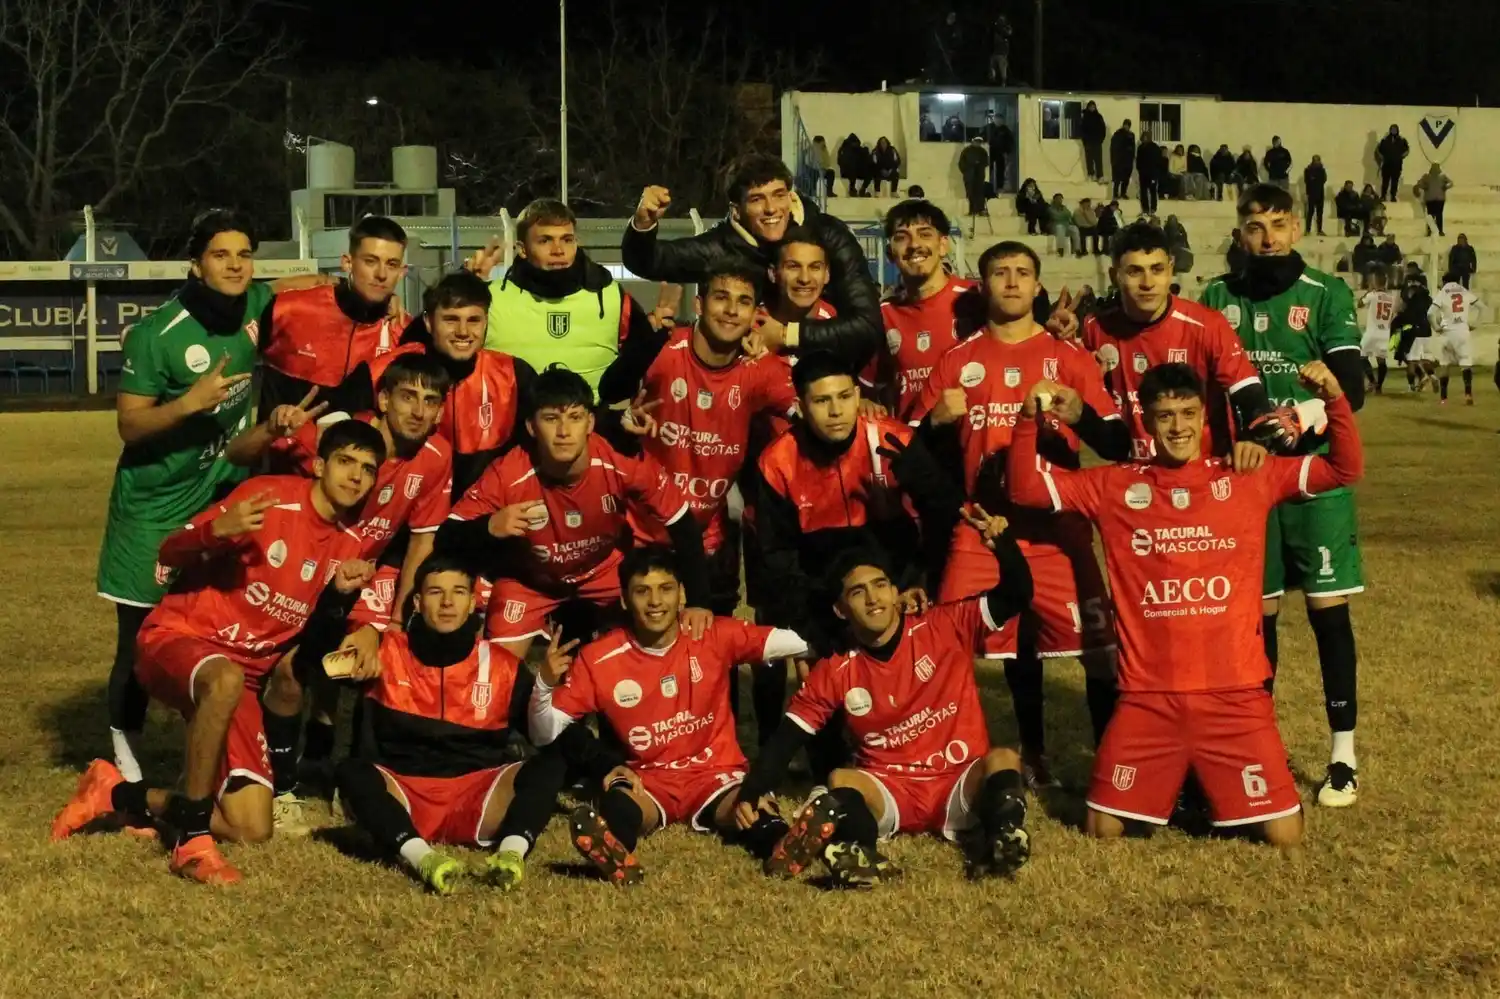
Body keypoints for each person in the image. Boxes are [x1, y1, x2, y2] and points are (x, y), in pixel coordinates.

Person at [1007, 359, 1364, 847]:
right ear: (1147, 423)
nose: (1178, 426)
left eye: (1188, 413)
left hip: (1234, 694)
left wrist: (1335, 400)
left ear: (1205, 419)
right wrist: (1027, 420)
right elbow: (1024, 488)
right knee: (1103, 828)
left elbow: (1345, 468)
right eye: (1165, 415)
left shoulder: (1246, 474)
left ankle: (1208, 788)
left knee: (1285, 833)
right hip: (1148, 697)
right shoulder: (1115, 485)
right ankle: (1180, 786)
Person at [53, 420, 387, 882]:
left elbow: (316, 641)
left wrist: (347, 612)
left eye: (367, 469)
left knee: (251, 827)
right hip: (178, 639)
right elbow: (170, 551)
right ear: (318, 464)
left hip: (244, 677)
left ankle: (116, 795)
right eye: (346, 462)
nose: (355, 476)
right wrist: (217, 531)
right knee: (224, 677)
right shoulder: (269, 497)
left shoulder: (354, 543)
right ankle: (190, 844)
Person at [912, 241, 1131, 784]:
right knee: (950, 647)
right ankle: (998, 758)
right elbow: (911, 454)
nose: (1011, 282)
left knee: (1101, 654)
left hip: (1057, 530)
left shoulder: (1069, 357)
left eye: (1023, 273)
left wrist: (1081, 414)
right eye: (1000, 273)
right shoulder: (956, 361)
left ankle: (1110, 758)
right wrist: (935, 423)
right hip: (982, 530)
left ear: (1038, 286)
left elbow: (1119, 444)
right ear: (982, 285)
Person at [732, 517, 1035, 886]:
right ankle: (859, 853)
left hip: (958, 782)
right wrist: (751, 791)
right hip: (891, 790)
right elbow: (787, 738)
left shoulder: (945, 625)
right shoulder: (836, 668)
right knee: (842, 778)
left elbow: (1017, 593)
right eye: (858, 592)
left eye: (881, 585)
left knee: (1004, 759)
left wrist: (1003, 544)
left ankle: (1001, 838)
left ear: (896, 592)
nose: (874, 598)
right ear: (841, 610)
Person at [1199, 183, 1369, 807]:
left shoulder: (1326, 294)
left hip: (1312, 480)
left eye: (1277, 224)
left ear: (1295, 228)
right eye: (1254, 226)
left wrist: (1300, 415)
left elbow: (1353, 386)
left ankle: (1342, 755)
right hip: (1247, 487)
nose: (1266, 237)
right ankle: (1260, 748)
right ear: (1239, 232)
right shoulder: (1217, 298)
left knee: (1328, 613)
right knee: (1255, 620)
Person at [96, 209, 272, 785]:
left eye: (244, 254)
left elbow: (313, 290)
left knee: (221, 622)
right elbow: (130, 426)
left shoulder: (256, 305)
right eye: (222, 255)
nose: (236, 265)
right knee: (143, 636)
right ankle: (124, 751)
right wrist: (188, 405)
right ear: (195, 264)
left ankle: (222, 740)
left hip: (220, 491)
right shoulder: (156, 335)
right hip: (153, 508)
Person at [599, 260, 798, 747]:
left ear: (755, 316)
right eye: (721, 298)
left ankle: (718, 741)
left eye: (743, 302)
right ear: (701, 303)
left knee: (712, 640)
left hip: (707, 529)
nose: (731, 310)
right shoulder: (667, 350)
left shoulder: (759, 369)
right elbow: (608, 394)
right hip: (636, 526)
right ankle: (624, 744)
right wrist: (622, 420)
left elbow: (812, 409)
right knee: (627, 641)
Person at [529, 546, 811, 885]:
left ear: (683, 595)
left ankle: (784, 846)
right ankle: (612, 849)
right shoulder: (599, 658)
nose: (655, 601)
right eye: (642, 591)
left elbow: (799, 641)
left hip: (715, 774)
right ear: (624, 600)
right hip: (648, 781)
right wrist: (544, 684)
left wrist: (839, 637)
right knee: (621, 803)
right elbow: (544, 733)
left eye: (666, 589)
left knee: (748, 805)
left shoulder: (710, 633)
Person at [438, 366, 711, 659]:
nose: (564, 432)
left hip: (605, 572)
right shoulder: (508, 473)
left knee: (666, 625)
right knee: (497, 673)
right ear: (531, 426)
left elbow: (682, 523)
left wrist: (698, 600)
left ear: (591, 422)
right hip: (531, 582)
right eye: (551, 419)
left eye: (575, 417)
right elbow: (446, 537)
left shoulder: (621, 461)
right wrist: (489, 527)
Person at [333, 556, 568, 894]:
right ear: (417, 601)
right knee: (352, 772)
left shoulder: (502, 666)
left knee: (548, 766)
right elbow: (317, 663)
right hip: (403, 795)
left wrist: (609, 770)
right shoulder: (384, 651)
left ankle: (511, 854)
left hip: (478, 797)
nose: (447, 602)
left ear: (473, 602)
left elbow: (551, 737)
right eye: (435, 592)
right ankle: (421, 857)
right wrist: (364, 629)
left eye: (458, 592)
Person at [758, 350, 964, 661]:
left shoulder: (893, 439)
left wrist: (915, 583)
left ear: (858, 395)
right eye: (822, 401)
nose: (836, 410)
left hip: (894, 580)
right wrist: (811, 627)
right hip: (822, 592)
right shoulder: (777, 463)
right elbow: (778, 557)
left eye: (843, 397)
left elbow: (946, 514)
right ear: (800, 407)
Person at [627, 154, 881, 369]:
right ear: (736, 210)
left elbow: (867, 326)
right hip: (752, 382)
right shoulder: (721, 247)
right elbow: (647, 261)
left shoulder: (828, 236)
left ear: (791, 197)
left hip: (827, 376)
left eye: (778, 195)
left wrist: (785, 334)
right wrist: (644, 223)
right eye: (757, 199)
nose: (771, 209)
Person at [1079, 222, 1270, 461]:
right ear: (1114, 275)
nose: (1147, 282)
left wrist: (1252, 440)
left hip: (1205, 472)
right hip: (1138, 476)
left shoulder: (1207, 325)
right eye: (1135, 271)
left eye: (1157, 269)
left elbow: (1250, 394)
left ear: (1171, 270)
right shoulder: (1095, 327)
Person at [338, 271, 534, 499]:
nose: (463, 332)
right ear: (429, 323)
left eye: (474, 320)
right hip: (402, 509)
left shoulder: (513, 373)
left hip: (484, 514)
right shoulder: (386, 369)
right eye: (451, 320)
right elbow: (334, 423)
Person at [459, 200, 655, 398]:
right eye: (545, 240)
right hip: (509, 425)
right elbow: (438, 351)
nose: (558, 250)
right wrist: (461, 285)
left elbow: (643, 369)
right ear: (522, 249)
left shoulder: (612, 297)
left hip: (593, 424)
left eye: (567, 240)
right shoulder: (488, 300)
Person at [260, 216, 409, 413]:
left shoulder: (404, 332)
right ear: (347, 263)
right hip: (280, 442)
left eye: (391, 264)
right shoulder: (288, 308)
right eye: (370, 261)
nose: (381, 274)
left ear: (401, 272)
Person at [870, 200, 973, 420]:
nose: (914, 244)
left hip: (972, 442)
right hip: (913, 445)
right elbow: (867, 385)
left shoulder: (976, 299)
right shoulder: (883, 314)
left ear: (943, 245)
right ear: (890, 253)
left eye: (925, 234)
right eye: (901, 237)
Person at [1433, 273, 1480, 404]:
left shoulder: (1443, 292)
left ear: (1444, 281)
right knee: (1465, 363)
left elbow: (1430, 313)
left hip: (1447, 332)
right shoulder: (1464, 291)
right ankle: (1468, 394)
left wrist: (1436, 327)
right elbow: (1481, 307)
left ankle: (1444, 398)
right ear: (1458, 280)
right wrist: (1475, 324)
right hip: (1462, 331)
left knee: (1444, 365)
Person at [1357, 270, 1400, 395]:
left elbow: (1359, 304)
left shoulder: (1373, 295)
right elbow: (1392, 315)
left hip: (1372, 331)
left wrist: (1368, 291)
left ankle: (1372, 380)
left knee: (1361, 356)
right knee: (1381, 360)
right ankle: (1379, 387)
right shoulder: (1391, 298)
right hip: (1384, 332)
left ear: (1375, 282)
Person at [1415, 163, 1452, 237]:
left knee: (1431, 216)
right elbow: (1451, 183)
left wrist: (1424, 187)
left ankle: (1431, 231)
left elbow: (1419, 184)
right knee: (1438, 215)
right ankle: (1439, 231)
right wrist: (1445, 187)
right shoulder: (1440, 176)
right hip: (1438, 198)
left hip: (1431, 198)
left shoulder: (1428, 177)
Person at [1376, 124, 1409, 201]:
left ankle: (1393, 196)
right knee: (1385, 181)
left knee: (1395, 182)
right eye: (1392, 129)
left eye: (1395, 129)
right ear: (1390, 130)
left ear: (1397, 130)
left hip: (1396, 165)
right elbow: (1378, 150)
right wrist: (1381, 156)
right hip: (1387, 164)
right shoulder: (1385, 140)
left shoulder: (1402, 140)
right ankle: (1383, 195)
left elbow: (1407, 150)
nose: (1393, 131)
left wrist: (1401, 156)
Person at [959, 137, 990, 218]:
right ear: (973, 141)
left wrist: (979, 164)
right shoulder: (967, 150)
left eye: (979, 142)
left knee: (979, 193)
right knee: (970, 193)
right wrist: (967, 170)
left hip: (979, 176)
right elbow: (961, 163)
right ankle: (972, 210)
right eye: (976, 141)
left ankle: (981, 210)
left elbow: (986, 162)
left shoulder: (983, 151)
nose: (978, 143)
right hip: (969, 176)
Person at [984, 111, 1014, 194]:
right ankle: (987, 187)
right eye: (997, 119)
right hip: (989, 152)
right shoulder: (988, 128)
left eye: (1000, 120)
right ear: (994, 119)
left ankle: (999, 187)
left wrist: (1007, 152)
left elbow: (1010, 141)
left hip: (1001, 153)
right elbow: (982, 137)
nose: (999, 121)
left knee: (1000, 171)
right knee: (988, 170)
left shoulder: (1005, 130)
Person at [1080, 101, 1107, 182]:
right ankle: (1091, 174)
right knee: (1089, 159)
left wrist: (1100, 139)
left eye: (1093, 107)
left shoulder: (1098, 117)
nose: (1092, 108)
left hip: (1097, 141)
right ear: (1088, 107)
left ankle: (1100, 176)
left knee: (1098, 159)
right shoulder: (1085, 117)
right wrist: (1084, 140)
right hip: (1088, 141)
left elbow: (1103, 129)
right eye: (1090, 107)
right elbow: (1082, 130)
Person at [1110, 119, 1136, 200]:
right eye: (1125, 125)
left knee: (1126, 178)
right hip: (1119, 160)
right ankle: (1115, 194)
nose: (1126, 126)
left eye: (1128, 125)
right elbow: (1114, 147)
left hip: (1127, 161)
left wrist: (1131, 156)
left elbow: (1133, 147)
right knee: (1117, 179)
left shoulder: (1131, 135)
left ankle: (1123, 193)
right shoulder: (1118, 134)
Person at [1135, 131, 1160, 214]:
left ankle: (1153, 208)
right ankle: (1145, 208)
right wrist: (1139, 169)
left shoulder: (1155, 147)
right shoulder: (1140, 148)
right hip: (1143, 173)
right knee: (1143, 191)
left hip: (1152, 173)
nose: (1144, 138)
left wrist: (1155, 175)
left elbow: (1157, 162)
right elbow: (1138, 160)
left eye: (1146, 137)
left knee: (1153, 191)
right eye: (1143, 137)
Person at [1303, 155, 1328, 236]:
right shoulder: (1308, 170)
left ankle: (1319, 230)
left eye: (1318, 160)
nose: (1317, 162)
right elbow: (1307, 181)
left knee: (1320, 213)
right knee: (1310, 212)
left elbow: (1324, 179)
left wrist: (1314, 179)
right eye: (1315, 160)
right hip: (1311, 193)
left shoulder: (1322, 170)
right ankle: (1307, 229)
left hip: (1320, 193)